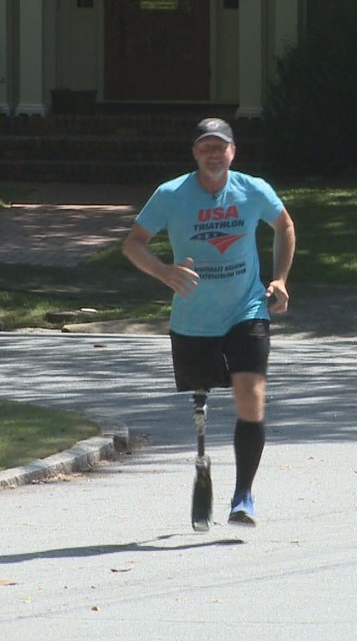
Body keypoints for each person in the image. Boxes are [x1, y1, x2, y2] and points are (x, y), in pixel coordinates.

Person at [122, 117, 296, 527]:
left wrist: (280, 278)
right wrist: (164, 272)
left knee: (250, 399)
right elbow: (133, 243)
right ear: (195, 153)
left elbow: (285, 225)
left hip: (247, 310)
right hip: (194, 319)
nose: (214, 154)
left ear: (233, 152)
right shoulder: (171, 194)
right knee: (201, 395)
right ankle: (202, 412)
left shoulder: (253, 190)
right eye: (206, 147)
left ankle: (243, 495)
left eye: (221, 147)